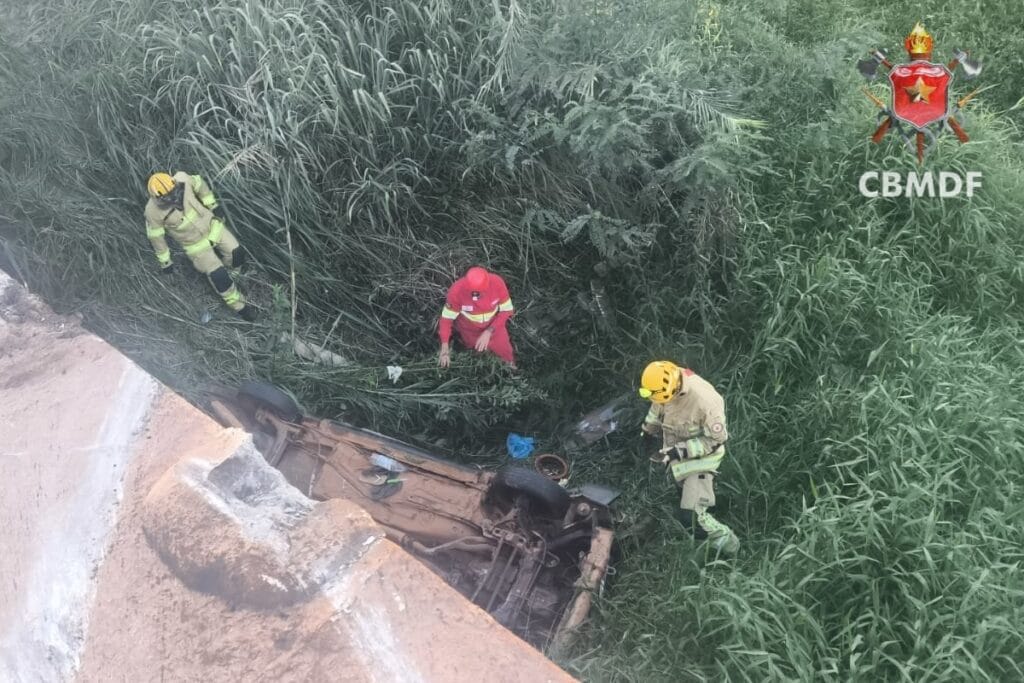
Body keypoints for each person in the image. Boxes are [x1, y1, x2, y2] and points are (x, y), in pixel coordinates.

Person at [639, 360, 740, 555]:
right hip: (678, 458)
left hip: (702, 460)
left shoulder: (706, 402)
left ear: (672, 390)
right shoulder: (662, 385)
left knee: (690, 517)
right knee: (684, 494)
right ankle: (709, 506)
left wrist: (678, 451)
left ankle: (730, 546)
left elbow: (715, 440)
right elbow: (656, 409)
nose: (651, 398)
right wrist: (648, 432)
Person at [144, 172, 256, 321]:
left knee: (237, 253)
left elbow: (200, 184)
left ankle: (234, 273)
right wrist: (166, 262)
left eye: (175, 192)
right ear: (157, 198)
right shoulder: (152, 212)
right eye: (168, 197)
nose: (174, 198)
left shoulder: (183, 179)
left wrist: (213, 205)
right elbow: (156, 238)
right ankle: (241, 307)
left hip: (213, 227)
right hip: (196, 246)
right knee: (219, 277)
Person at [438, 266, 516, 368]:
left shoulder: (497, 283)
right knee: (477, 356)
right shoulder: (456, 291)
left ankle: (512, 370)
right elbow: (446, 319)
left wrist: (489, 331)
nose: (475, 297)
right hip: (469, 330)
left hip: (494, 326)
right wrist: (444, 348)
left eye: (478, 293)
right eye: (472, 293)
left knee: (505, 352)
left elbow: (507, 310)